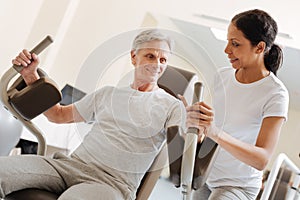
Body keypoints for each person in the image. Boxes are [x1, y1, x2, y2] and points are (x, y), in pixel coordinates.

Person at [0, 29, 186, 200]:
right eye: (150, 56)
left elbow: (188, 138)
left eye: (163, 60)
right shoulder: (107, 94)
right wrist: (31, 76)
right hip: (67, 166)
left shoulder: (171, 106)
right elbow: (58, 115)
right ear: (133, 56)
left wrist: (197, 125)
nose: (156, 65)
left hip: (110, 184)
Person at [184, 9, 289, 200]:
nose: (226, 50)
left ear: (259, 48)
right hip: (206, 174)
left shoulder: (276, 93)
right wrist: (198, 125)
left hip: (238, 185)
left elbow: (261, 159)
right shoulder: (222, 76)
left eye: (235, 44)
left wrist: (213, 131)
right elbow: (216, 128)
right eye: (228, 41)